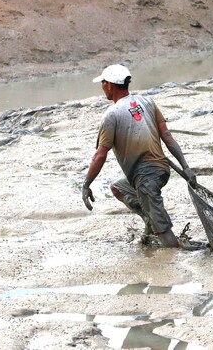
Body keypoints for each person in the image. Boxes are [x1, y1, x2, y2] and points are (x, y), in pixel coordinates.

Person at [81, 64, 197, 248]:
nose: (102, 86)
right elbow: (167, 136)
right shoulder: (147, 102)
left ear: (110, 85)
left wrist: (86, 184)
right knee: (118, 188)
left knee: (164, 232)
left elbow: (100, 155)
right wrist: (186, 168)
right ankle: (149, 219)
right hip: (160, 170)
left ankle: (175, 260)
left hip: (146, 176)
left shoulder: (112, 115)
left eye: (103, 82)